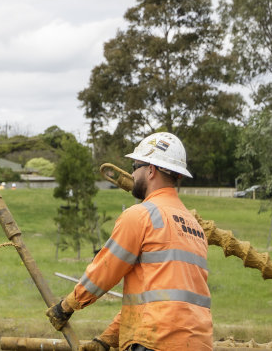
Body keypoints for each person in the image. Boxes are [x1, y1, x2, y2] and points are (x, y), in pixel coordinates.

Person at [46, 132, 212, 351]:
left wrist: (66, 307)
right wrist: (106, 340)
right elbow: (156, 301)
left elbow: (105, 271)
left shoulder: (142, 215)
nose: (132, 174)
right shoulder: (194, 227)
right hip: (197, 343)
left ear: (151, 170)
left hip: (156, 342)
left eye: (135, 167)